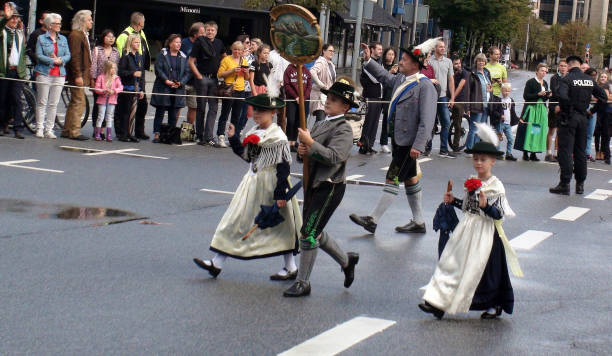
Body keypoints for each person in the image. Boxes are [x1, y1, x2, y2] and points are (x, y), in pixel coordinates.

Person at [193, 92, 302, 282]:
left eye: (263, 110)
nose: (258, 113)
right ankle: (217, 262)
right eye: (256, 109)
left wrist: (279, 194)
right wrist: (234, 138)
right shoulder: (254, 132)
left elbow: (284, 167)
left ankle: (291, 266)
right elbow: (248, 157)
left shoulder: (278, 136)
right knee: (235, 219)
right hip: (251, 183)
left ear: (273, 113)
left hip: (272, 184)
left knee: (283, 227)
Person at [419, 127, 519, 320]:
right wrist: (453, 200)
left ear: (493, 161)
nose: (479, 163)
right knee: (451, 263)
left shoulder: (496, 186)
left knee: (482, 271)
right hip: (467, 230)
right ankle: (438, 303)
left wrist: (486, 207)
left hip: (486, 234)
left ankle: (493, 304)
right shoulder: (472, 180)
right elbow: (467, 207)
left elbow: (499, 215)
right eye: (476, 159)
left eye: (483, 159)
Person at [349, 40, 438, 235]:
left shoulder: (424, 86)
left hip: (410, 142)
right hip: (399, 140)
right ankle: (419, 221)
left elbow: (427, 119)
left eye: (405, 59)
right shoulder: (400, 79)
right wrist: (369, 60)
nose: (401, 62)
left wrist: (419, 145)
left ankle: (372, 219)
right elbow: (383, 76)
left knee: (393, 177)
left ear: (416, 64)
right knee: (410, 179)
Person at [283, 81, 360, 297]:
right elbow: (308, 155)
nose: (328, 102)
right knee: (313, 229)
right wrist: (301, 150)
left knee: (308, 233)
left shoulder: (344, 129)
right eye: (328, 97)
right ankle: (347, 262)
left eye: (334, 100)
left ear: (345, 107)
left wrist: (310, 143)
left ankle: (303, 282)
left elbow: (335, 157)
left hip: (330, 186)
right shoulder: (320, 124)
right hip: (313, 183)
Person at [550, 56, 608, 195]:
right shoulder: (589, 80)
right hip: (583, 118)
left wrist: (564, 109)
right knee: (580, 152)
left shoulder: (566, 79)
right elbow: (604, 98)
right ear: (580, 65)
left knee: (565, 151)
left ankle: (565, 183)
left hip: (569, 119)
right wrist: (591, 111)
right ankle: (580, 185)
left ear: (569, 66)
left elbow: (562, 96)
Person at [34, 12, 70, 139]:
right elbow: (38, 55)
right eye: (56, 23)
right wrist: (52, 61)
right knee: (42, 102)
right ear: (50, 25)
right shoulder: (41, 38)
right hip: (44, 72)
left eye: (60, 23)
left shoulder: (63, 39)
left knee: (54, 103)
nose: (59, 25)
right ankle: (39, 128)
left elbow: (68, 54)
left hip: (60, 73)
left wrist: (61, 60)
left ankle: (49, 129)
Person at [189, 21, 225, 146]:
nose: (210, 32)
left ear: (216, 31)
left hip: (215, 79)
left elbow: (225, 58)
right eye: (208, 30)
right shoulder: (199, 42)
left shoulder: (220, 43)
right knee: (201, 107)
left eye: (212, 30)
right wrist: (198, 76)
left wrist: (223, 73)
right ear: (205, 30)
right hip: (202, 78)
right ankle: (200, 136)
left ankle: (209, 136)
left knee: (214, 108)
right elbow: (191, 61)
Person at [150, 34, 191, 143]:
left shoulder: (183, 56)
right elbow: (158, 69)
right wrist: (166, 80)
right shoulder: (162, 54)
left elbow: (187, 72)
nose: (178, 44)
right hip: (163, 86)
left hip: (177, 88)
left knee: (173, 113)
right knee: (160, 111)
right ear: (170, 43)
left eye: (179, 42)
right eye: (176, 42)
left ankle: (170, 135)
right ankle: (157, 134)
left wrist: (181, 83)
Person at [116, 12, 150, 140]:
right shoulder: (124, 35)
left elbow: (143, 51)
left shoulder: (141, 33)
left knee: (142, 105)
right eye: (144, 21)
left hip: (139, 73)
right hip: (128, 77)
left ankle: (138, 131)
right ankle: (122, 132)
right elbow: (121, 59)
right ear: (139, 23)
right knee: (124, 108)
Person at [59, 9, 92, 140]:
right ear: (82, 21)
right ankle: (74, 131)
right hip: (78, 75)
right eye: (89, 19)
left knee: (75, 102)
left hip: (82, 74)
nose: (91, 21)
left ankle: (67, 130)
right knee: (79, 102)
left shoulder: (82, 34)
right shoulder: (76, 35)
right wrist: (78, 75)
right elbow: (75, 57)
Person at [0, 2, 26, 139]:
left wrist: (22, 71)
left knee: (16, 99)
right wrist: (5, 18)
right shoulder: (2, 32)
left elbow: (21, 55)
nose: (15, 20)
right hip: (4, 71)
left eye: (17, 18)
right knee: (2, 99)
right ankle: (2, 125)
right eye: (12, 18)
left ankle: (18, 127)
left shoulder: (20, 34)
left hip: (17, 72)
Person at [514, 63, 551, 162]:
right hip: (531, 109)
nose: (544, 73)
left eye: (545, 71)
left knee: (536, 131)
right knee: (528, 130)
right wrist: (538, 94)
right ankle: (525, 152)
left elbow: (544, 99)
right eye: (542, 71)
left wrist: (548, 95)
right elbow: (526, 96)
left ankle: (533, 153)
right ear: (537, 71)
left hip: (540, 110)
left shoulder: (545, 83)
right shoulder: (531, 82)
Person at [425, 39, 455, 157]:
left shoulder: (448, 61)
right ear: (435, 48)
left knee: (446, 122)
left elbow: (451, 80)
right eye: (440, 47)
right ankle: (428, 147)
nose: (443, 48)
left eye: (444, 47)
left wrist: (452, 97)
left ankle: (443, 149)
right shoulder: (429, 61)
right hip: (430, 96)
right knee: (430, 123)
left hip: (443, 96)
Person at [216, 41, 250, 142]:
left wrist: (246, 72)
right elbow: (219, 74)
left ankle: (232, 136)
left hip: (240, 89)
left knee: (236, 116)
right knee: (224, 114)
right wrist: (232, 71)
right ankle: (221, 135)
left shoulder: (244, 61)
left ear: (242, 51)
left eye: (239, 50)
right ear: (231, 49)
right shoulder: (226, 59)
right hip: (229, 89)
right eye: (235, 49)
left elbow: (247, 78)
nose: (237, 51)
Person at [90, 29, 120, 138]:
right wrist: (92, 80)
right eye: (108, 36)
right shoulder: (97, 49)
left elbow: (117, 68)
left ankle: (103, 131)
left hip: (111, 83)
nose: (111, 38)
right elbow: (93, 66)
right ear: (103, 38)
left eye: (113, 37)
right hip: (99, 82)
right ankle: (96, 129)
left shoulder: (116, 52)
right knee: (98, 106)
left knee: (109, 108)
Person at [117, 34, 145, 142]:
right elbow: (121, 72)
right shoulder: (125, 56)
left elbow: (141, 75)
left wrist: (142, 89)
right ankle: (123, 134)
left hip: (136, 88)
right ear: (130, 43)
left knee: (133, 112)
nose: (138, 44)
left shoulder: (139, 57)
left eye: (139, 42)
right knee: (125, 112)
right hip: (127, 88)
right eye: (136, 42)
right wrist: (133, 73)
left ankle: (130, 132)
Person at [358, 42, 384, 154]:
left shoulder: (379, 63)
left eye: (381, 49)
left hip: (379, 96)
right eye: (379, 49)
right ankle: (363, 145)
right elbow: (376, 79)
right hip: (370, 96)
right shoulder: (367, 63)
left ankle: (370, 145)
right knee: (368, 122)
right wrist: (386, 75)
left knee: (374, 122)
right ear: (372, 50)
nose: (381, 51)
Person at [466, 53, 492, 150]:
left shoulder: (487, 73)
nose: (481, 62)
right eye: (479, 60)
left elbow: (489, 87)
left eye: (483, 61)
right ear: (476, 62)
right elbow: (468, 91)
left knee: (480, 129)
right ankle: (469, 148)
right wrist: (467, 107)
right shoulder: (472, 74)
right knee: (474, 129)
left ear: (485, 62)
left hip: (486, 105)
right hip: (477, 104)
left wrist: (490, 89)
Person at [284, 63, 312, 153]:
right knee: (291, 121)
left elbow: (309, 86)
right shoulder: (289, 70)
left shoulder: (306, 71)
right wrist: (296, 96)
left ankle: (294, 142)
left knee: (299, 122)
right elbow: (287, 85)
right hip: (292, 100)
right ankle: (289, 142)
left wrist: (304, 97)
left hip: (304, 100)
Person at [181, 22, 205, 125]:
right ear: (195, 34)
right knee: (178, 106)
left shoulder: (204, 44)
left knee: (193, 107)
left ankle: (187, 131)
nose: (204, 35)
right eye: (202, 33)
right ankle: (172, 131)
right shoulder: (184, 43)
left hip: (195, 82)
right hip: (182, 81)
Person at [93, 61, 122, 141]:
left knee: (109, 117)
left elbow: (121, 87)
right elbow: (97, 88)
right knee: (100, 116)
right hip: (102, 100)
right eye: (112, 68)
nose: (114, 70)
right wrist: (103, 91)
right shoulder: (101, 77)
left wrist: (114, 91)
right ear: (107, 69)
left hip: (112, 100)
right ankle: (97, 134)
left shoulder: (116, 78)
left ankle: (109, 134)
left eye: (115, 68)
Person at [546, 60, 568, 162]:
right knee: (552, 129)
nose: (563, 68)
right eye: (561, 66)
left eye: (565, 66)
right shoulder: (554, 78)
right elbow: (555, 91)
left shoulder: (569, 78)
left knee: (560, 131)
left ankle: (556, 152)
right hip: (554, 106)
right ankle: (548, 152)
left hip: (564, 107)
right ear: (558, 67)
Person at [489, 83, 518, 160]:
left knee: (511, 139)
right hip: (500, 123)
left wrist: (518, 119)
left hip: (508, 124)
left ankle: (508, 154)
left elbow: (513, 112)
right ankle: (497, 153)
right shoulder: (499, 100)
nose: (506, 92)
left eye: (508, 91)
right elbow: (494, 111)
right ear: (501, 91)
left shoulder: (511, 101)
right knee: (499, 138)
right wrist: (500, 115)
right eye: (505, 91)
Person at [309, 44, 336, 122]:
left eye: (333, 51)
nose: (332, 53)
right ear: (323, 51)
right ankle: (312, 134)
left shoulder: (331, 64)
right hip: (320, 96)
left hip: (328, 96)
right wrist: (321, 84)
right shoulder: (321, 61)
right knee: (320, 122)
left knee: (323, 123)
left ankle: (313, 134)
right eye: (330, 51)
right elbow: (312, 71)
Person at [379, 47, 398, 154]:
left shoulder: (397, 68)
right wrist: (390, 72)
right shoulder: (382, 66)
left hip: (393, 96)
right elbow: (382, 79)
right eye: (389, 54)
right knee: (386, 119)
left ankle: (392, 142)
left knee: (393, 120)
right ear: (385, 55)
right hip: (384, 95)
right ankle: (383, 143)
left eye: (393, 55)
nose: (391, 56)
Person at [449, 55, 470, 152]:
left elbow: (460, 86)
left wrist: (453, 98)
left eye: (459, 63)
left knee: (457, 123)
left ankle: (456, 146)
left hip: (460, 99)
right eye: (456, 64)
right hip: (450, 98)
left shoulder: (464, 73)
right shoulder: (451, 72)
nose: (458, 65)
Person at [594, 72, 611, 164]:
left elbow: (606, 97)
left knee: (605, 134)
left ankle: (604, 152)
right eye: (602, 76)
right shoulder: (596, 85)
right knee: (597, 133)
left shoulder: (608, 86)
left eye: (605, 77)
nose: (603, 78)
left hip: (606, 112)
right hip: (598, 111)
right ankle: (598, 152)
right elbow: (603, 97)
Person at [584, 68, 599, 162]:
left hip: (592, 109)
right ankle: (576, 152)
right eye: (592, 75)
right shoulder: (584, 84)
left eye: (595, 75)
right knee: (580, 132)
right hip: (584, 108)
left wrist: (592, 111)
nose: (593, 77)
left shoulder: (596, 85)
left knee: (589, 134)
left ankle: (587, 153)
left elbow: (601, 97)